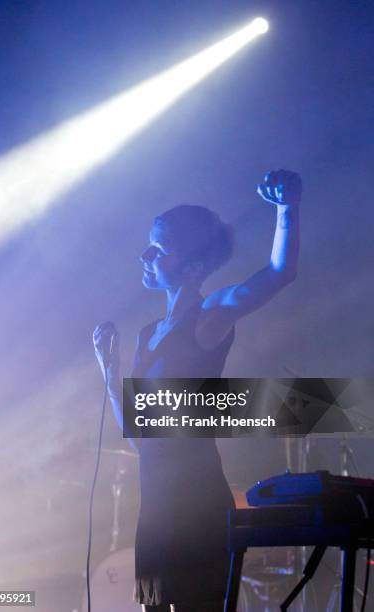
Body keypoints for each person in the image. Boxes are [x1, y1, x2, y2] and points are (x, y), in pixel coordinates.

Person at [93, 169, 302, 612]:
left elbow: (280, 273)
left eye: (159, 249)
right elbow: (138, 437)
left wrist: (287, 208)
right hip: (155, 508)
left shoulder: (208, 316)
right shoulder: (147, 334)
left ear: (195, 266)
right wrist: (110, 376)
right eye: (149, 245)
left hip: (195, 502)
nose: (145, 255)